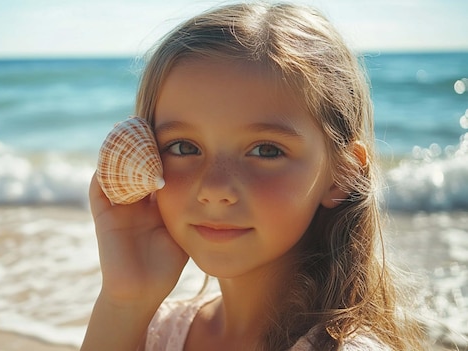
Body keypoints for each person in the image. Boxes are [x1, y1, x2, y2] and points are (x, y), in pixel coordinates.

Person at [82, 2, 425, 350]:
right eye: (184, 147)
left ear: (342, 175)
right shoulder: (155, 332)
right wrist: (125, 303)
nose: (215, 190)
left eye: (266, 150)